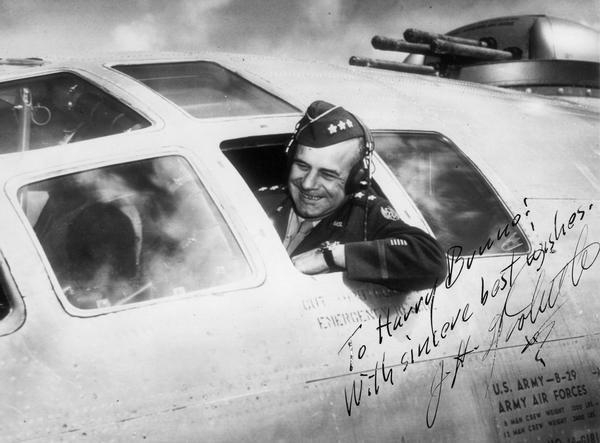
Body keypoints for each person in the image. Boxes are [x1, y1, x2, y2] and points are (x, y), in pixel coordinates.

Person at [269, 100, 446, 291]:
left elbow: (431, 259)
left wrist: (329, 256)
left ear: (356, 179)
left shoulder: (364, 214)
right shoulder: (262, 202)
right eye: (302, 166)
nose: (307, 184)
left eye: (327, 174)